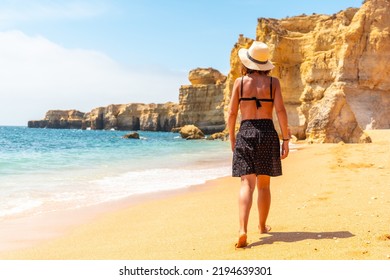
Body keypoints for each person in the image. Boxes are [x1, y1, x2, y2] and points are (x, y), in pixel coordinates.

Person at [227, 41, 290, 248]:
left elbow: (232, 113)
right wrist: (286, 139)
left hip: (246, 131)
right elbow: (280, 111)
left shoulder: (239, 82)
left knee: (246, 183)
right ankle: (262, 226)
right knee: (264, 185)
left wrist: (233, 138)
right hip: (267, 133)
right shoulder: (273, 83)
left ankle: (242, 229)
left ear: (248, 62)